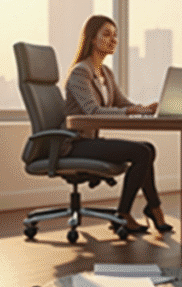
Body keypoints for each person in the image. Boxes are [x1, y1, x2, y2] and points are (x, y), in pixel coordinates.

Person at [62, 15, 172, 234]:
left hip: (90, 141)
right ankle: (124, 214)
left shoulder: (106, 73)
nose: (113, 40)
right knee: (141, 152)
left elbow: (122, 103)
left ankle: (153, 208)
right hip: (74, 144)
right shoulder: (80, 73)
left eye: (115, 35)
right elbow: (93, 112)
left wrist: (145, 109)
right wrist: (130, 111)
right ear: (92, 39)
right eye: (106, 34)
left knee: (147, 149)